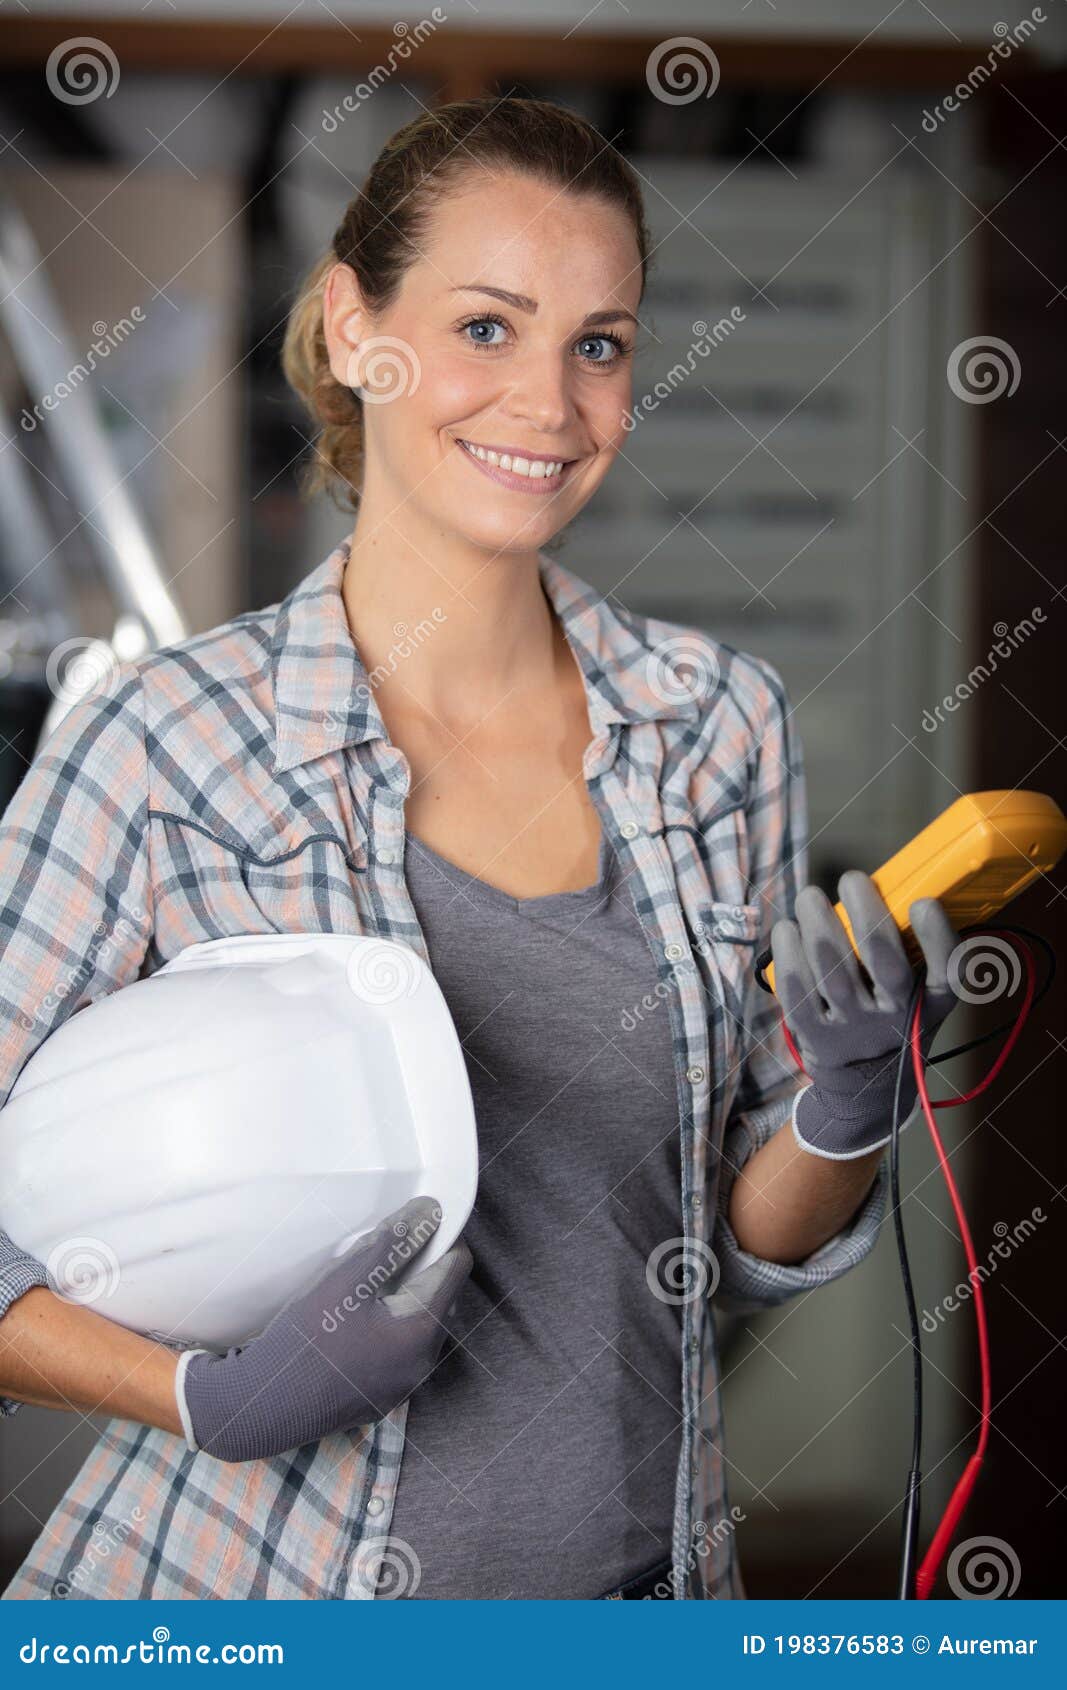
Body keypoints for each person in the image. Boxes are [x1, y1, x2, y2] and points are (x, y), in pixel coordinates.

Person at [0, 96, 961, 1602]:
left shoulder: (717, 724)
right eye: (487, 328)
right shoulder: (165, 747)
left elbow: (726, 1228)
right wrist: (198, 1396)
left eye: (599, 344)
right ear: (354, 324)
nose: (551, 403)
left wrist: (844, 1109)